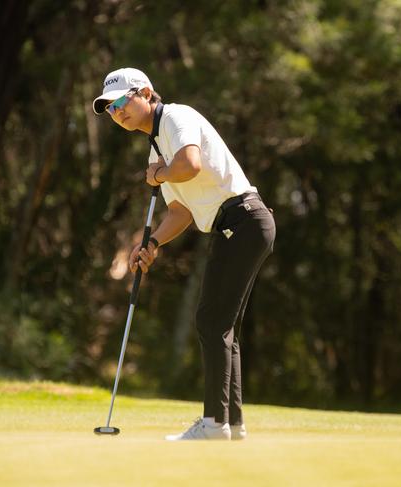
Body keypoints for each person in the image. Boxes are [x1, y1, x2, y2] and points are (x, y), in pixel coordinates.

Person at [93, 67, 276, 441]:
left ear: (145, 93)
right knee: (222, 326)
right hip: (235, 227)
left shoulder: (176, 117)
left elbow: (189, 166)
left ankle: (214, 424)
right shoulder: (156, 146)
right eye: (110, 109)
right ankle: (232, 425)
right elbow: (182, 212)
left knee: (211, 321)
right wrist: (153, 243)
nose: (117, 113)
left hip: (244, 220)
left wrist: (159, 174)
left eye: (122, 102)